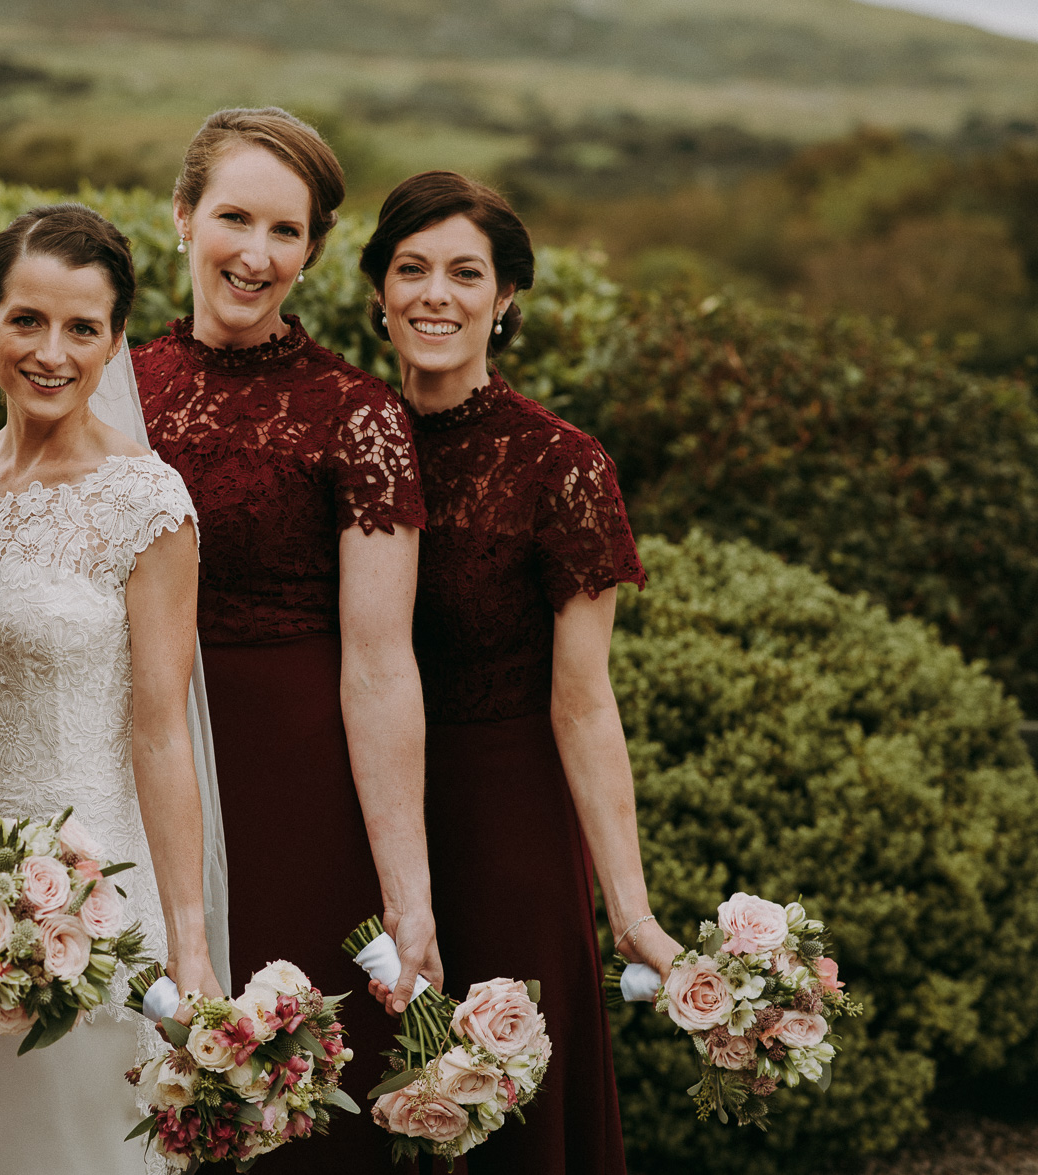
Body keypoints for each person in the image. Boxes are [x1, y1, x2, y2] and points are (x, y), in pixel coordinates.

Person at [136, 107, 441, 1172]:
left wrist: (409, 896)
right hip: (128, 773)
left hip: (292, 787)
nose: (254, 255)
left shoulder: (356, 416)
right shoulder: (106, 390)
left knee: (292, 1098)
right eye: (232, 217)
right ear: (181, 216)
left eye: (284, 232)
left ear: (310, 252)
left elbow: (378, 662)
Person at [359, 170, 681, 1174]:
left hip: (505, 823)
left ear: (504, 299)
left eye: (464, 272)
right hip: (358, 811)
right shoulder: (347, 439)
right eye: (410, 269)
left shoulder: (560, 464)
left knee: (507, 1108)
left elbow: (584, 702)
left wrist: (629, 908)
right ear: (377, 292)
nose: (434, 295)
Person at [0, 202, 228, 1174]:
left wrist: (190, 945)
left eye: (82, 328)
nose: (51, 351)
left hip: (94, 904)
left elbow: (161, 731)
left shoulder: (145, 500)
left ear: (115, 341)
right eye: (27, 319)